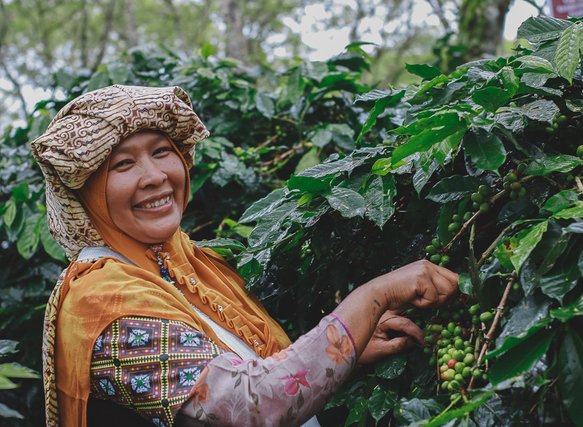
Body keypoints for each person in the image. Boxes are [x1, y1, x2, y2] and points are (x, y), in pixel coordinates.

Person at [33, 85, 458, 427]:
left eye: (163, 152)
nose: (155, 176)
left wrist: (350, 344)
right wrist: (373, 297)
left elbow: (248, 366)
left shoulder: (184, 264)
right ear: (87, 193)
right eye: (123, 165)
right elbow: (251, 407)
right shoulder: (100, 300)